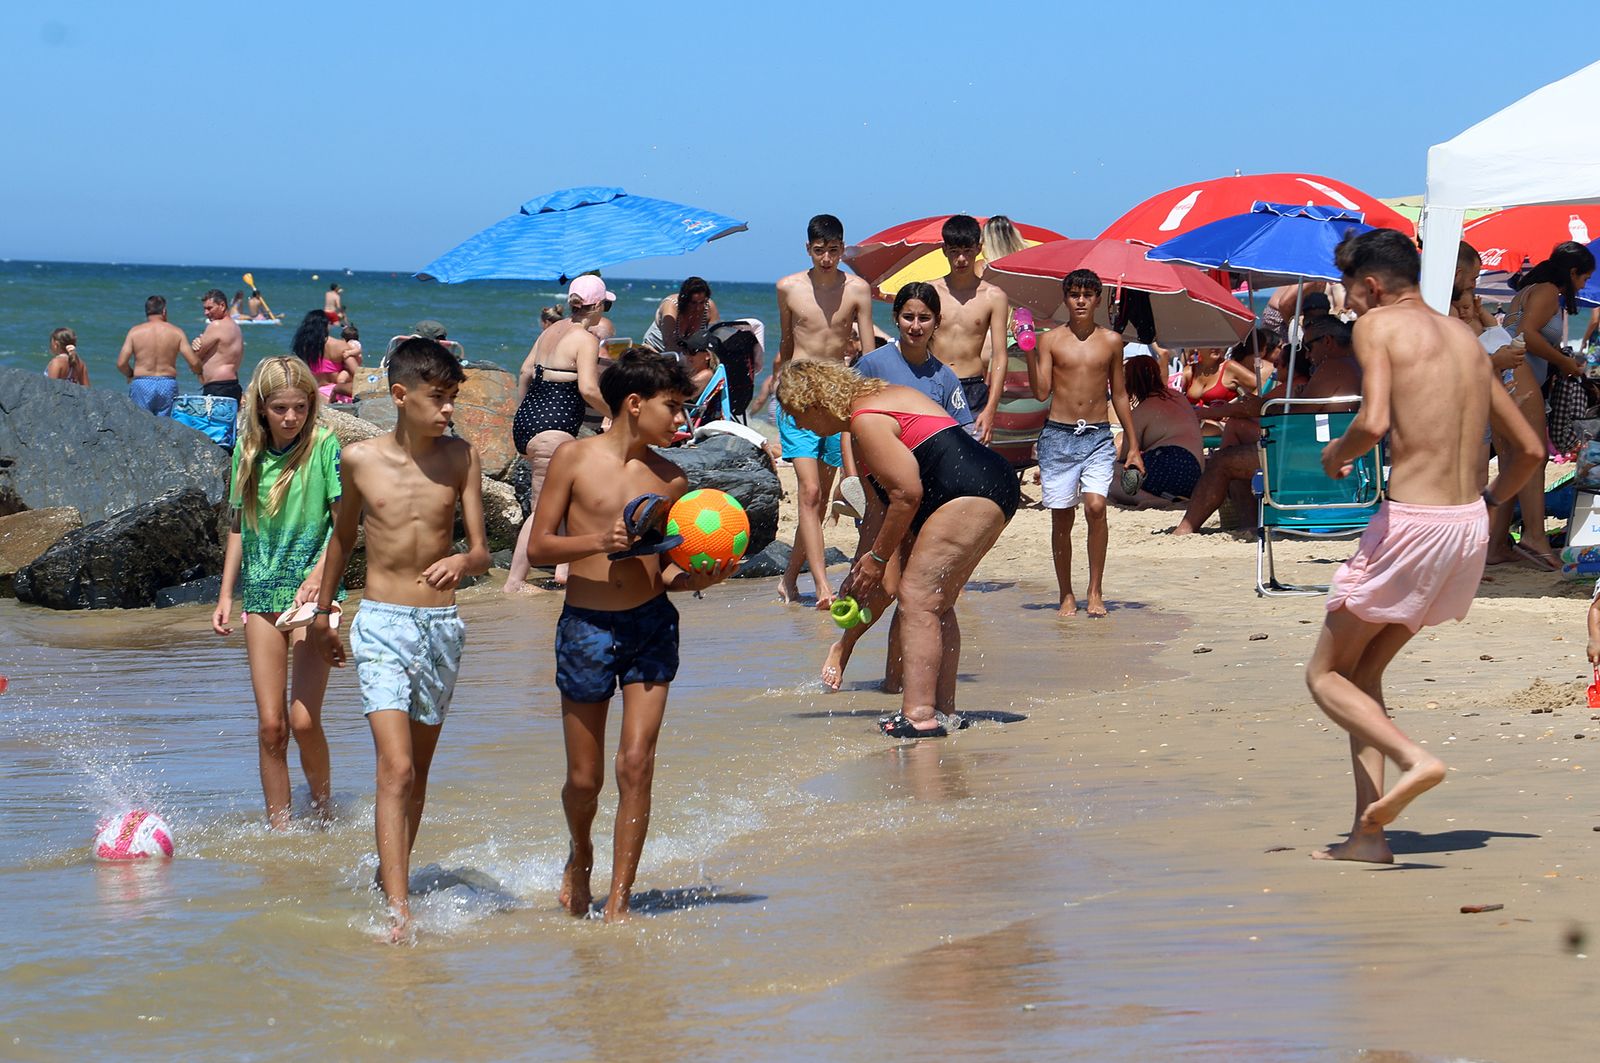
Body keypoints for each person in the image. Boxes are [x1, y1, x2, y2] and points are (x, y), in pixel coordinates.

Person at [1305, 228, 1543, 863]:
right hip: (1466, 525)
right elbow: (1529, 451)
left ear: (1371, 285)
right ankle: (1368, 836)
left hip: (1413, 521)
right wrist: (1489, 506)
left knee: (1324, 674)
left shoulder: (1378, 327)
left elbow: (1374, 421)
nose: (1350, 306)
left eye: (1351, 293)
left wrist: (1336, 454)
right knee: (1363, 674)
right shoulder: (1466, 339)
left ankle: (1414, 760)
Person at [525, 349, 737, 922]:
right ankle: (580, 856)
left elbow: (665, 571)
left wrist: (700, 579)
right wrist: (600, 542)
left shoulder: (672, 479)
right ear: (635, 404)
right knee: (584, 779)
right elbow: (540, 547)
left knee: (636, 764)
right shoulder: (573, 458)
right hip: (585, 627)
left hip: (651, 624)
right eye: (674, 407)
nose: (682, 420)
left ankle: (619, 901)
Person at [307, 338, 489, 940]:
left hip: (441, 627)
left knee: (419, 773)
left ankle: (394, 876)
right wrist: (323, 613)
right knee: (397, 766)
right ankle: (399, 910)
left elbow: (481, 551)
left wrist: (462, 562)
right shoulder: (358, 459)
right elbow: (342, 539)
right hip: (381, 622)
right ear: (401, 395)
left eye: (453, 398)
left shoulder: (462, 457)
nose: (448, 409)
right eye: (438, 398)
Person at [778, 359, 1019, 737]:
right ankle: (943, 711)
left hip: (967, 489)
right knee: (936, 602)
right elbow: (879, 510)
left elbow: (907, 494)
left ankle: (918, 716)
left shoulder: (866, 419)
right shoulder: (873, 407)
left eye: (797, 415)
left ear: (816, 403)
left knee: (918, 600)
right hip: (986, 483)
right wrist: (862, 569)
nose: (800, 425)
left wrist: (878, 559)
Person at [822, 282, 975, 692]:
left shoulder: (944, 378)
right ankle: (843, 646)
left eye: (924, 318)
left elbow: (961, 437)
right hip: (880, 492)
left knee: (912, 592)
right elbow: (847, 425)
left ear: (937, 323)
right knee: (883, 585)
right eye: (908, 316)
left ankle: (894, 681)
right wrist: (852, 479)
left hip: (927, 497)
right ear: (896, 318)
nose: (915, 325)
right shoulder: (872, 365)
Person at [211, 357, 342, 830]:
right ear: (262, 408)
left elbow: (345, 525)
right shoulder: (247, 451)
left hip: (312, 595)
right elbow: (238, 528)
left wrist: (319, 577)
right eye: (281, 408)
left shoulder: (325, 445)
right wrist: (226, 594)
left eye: (300, 407)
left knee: (303, 721)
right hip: (261, 592)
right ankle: (280, 831)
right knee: (272, 726)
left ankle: (324, 814)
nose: (291, 418)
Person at [1171, 316, 1362, 536]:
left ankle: (1185, 530)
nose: (1307, 355)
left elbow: (1296, 419)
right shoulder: (1356, 366)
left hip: (1312, 455)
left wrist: (1263, 407)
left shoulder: (1332, 367)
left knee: (1221, 461)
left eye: (1309, 347)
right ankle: (1249, 526)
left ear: (1327, 341)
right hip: (1336, 451)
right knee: (1233, 454)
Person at [773, 214, 877, 607]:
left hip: (838, 395)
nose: (827, 258)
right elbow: (786, 341)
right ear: (808, 249)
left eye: (834, 250)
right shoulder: (788, 287)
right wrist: (779, 386)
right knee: (811, 491)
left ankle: (789, 578)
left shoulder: (858, 289)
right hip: (799, 392)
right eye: (820, 251)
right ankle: (821, 586)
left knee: (819, 500)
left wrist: (870, 397)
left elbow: (869, 353)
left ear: (843, 249)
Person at [1027, 269, 1143, 618]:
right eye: (1074, 294)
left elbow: (1119, 394)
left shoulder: (1111, 341)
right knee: (1062, 518)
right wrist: (1029, 350)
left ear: (1097, 299)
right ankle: (1066, 593)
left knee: (1096, 507)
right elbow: (1041, 392)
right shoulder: (1050, 340)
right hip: (1058, 436)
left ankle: (1095, 590)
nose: (1080, 301)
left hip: (1097, 435)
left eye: (1087, 295)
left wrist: (1133, 445)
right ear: (1065, 299)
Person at [1487, 240, 1596, 569]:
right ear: (1572, 272)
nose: (1583, 286)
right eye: (1583, 278)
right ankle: (1535, 536)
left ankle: (1495, 544)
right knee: (1533, 456)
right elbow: (1528, 334)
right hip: (1521, 374)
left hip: (1503, 376)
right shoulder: (1548, 291)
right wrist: (1564, 362)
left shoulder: (1526, 290)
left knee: (1511, 461)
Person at [503, 276, 609, 594]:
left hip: (528, 422)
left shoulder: (552, 330)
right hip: (553, 427)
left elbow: (525, 371)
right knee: (542, 510)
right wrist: (614, 414)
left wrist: (524, 415)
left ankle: (564, 569)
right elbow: (588, 389)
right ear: (598, 306)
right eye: (606, 305)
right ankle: (514, 583)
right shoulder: (585, 340)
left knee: (565, 497)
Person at [928, 215, 1010, 443]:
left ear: (979, 249)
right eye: (955, 252)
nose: (961, 259)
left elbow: (1000, 356)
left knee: (972, 459)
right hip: (933, 384)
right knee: (930, 458)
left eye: (967, 251)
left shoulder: (994, 297)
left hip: (972, 389)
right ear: (944, 250)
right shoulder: (930, 292)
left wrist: (991, 409)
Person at [1110, 347, 1203, 507]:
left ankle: (1144, 498)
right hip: (1194, 474)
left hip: (1167, 463)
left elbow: (1125, 455)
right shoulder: (1178, 397)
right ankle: (1167, 497)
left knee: (1107, 475)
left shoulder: (1143, 410)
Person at [117, 295, 200, 417]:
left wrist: (130, 374)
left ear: (146, 312)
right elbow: (194, 362)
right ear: (164, 311)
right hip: (167, 383)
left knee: (141, 422)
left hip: (142, 383)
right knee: (165, 425)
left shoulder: (135, 332)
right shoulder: (176, 332)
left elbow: (121, 363)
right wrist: (200, 372)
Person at [192, 288, 245, 401]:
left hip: (218, 388)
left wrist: (195, 345)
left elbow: (194, 360)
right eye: (204, 309)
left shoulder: (216, 325)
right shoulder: (236, 328)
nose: (206, 313)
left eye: (209, 308)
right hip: (233, 385)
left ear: (222, 305)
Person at [292, 310, 355, 402]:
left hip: (315, 392)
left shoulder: (303, 347)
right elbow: (357, 372)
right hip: (336, 393)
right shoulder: (340, 345)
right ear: (326, 325)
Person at [642, 277, 718, 353]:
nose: (698, 308)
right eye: (693, 303)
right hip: (654, 350)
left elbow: (717, 337)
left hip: (686, 354)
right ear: (685, 300)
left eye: (701, 302)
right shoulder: (671, 306)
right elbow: (670, 345)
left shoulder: (708, 307)